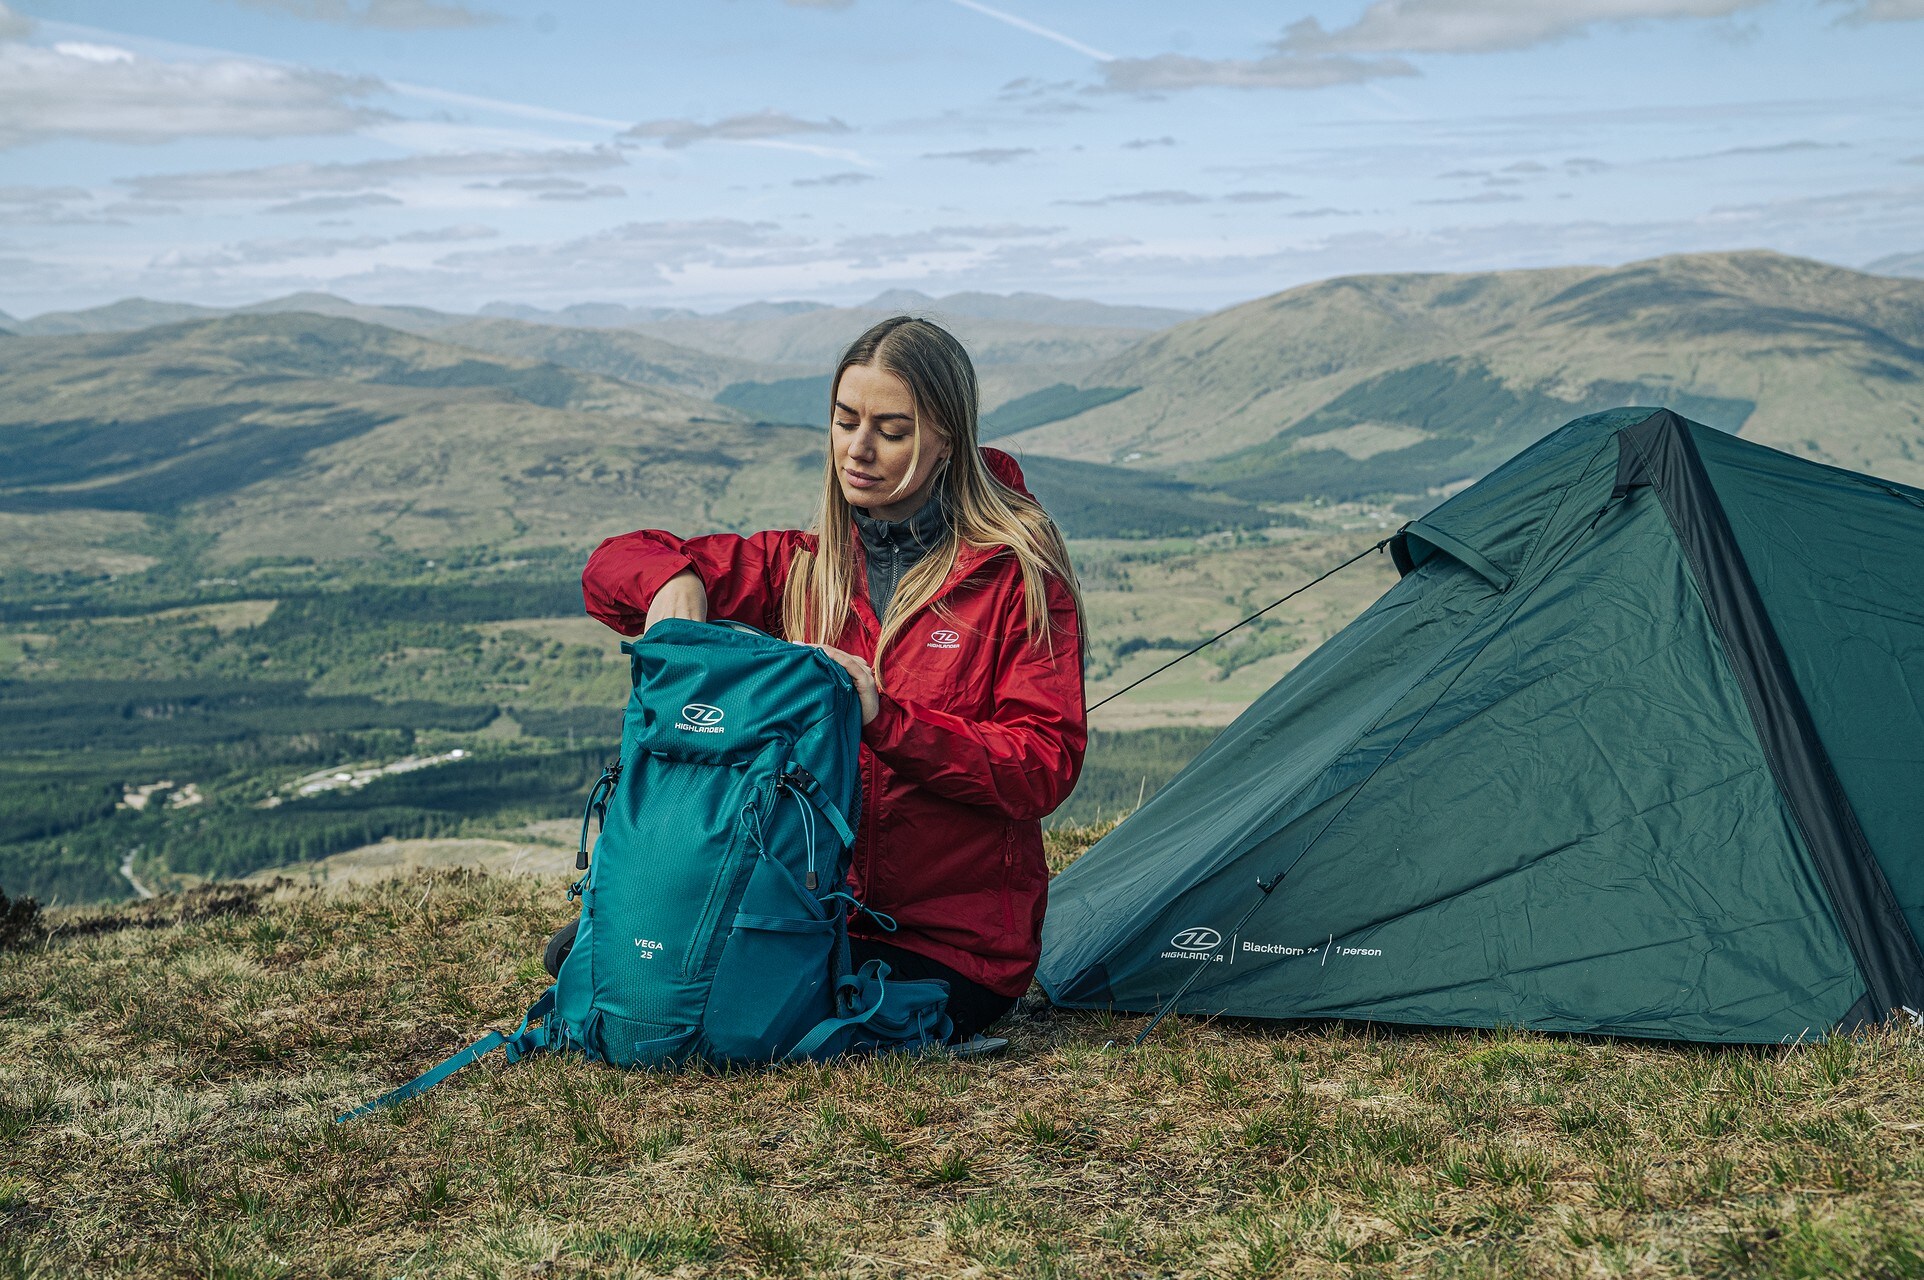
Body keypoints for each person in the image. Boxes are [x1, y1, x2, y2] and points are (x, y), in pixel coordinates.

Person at [576, 315, 1086, 1043]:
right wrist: (676, 584)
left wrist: (887, 721)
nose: (860, 449)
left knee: (719, 1016)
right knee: (634, 972)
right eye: (846, 422)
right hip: (812, 919)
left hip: (952, 947)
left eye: (892, 430)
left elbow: (1043, 767)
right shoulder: (805, 569)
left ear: (947, 438)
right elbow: (612, 566)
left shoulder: (1014, 576)